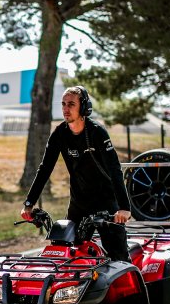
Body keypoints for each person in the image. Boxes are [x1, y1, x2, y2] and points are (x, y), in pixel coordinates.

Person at [21, 86, 133, 261]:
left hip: (106, 201)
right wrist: (29, 203)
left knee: (119, 257)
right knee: (66, 254)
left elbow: (114, 169)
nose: (66, 109)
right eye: (63, 104)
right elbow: (45, 169)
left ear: (84, 107)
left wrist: (124, 208)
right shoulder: (59, 133)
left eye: (71, 104)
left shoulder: (97, 132)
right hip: (79, 202)